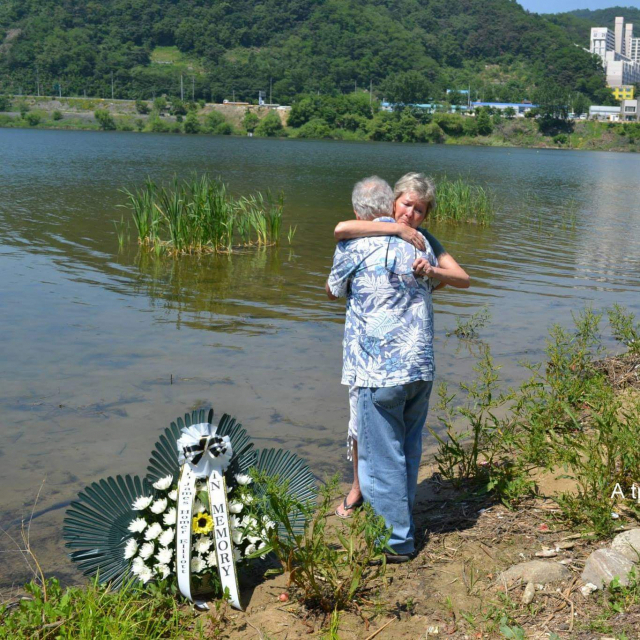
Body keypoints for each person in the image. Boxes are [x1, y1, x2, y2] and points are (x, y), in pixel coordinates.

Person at [333, 173, 470, 519]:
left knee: (382, 443)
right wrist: (397, 232)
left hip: (379, 365)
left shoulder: (421, 242)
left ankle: (394, 534)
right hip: (412, 365)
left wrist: (431, 273)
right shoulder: (399, 236)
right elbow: (341, 228)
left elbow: (462, 279)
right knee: (396, 441)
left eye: (419, 210)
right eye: (406, 205)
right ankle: (377, 501)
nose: (410, 214)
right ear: (393, 202)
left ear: (426, 215)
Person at [326, 175, 441, 560]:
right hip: (420, 365)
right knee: (407, 448)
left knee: (380, 456)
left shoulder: (353, 243)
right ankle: (403, 524)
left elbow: (333, 290)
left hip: (380, 369)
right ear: (392, 204)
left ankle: (396, 543)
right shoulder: (423, 242)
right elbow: (438, 281)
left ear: (360, 211)